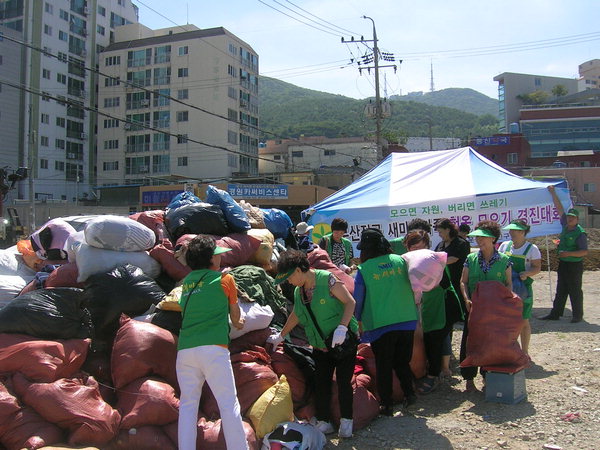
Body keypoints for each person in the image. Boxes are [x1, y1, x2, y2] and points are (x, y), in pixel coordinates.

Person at [267, 249, 358, 438]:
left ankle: (347, 420)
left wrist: (342, 327)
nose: (288, 282)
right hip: (320, 345)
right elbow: (296, 315)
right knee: (321, 382)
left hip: (342, 341)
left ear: (299, 270)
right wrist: (281, 335)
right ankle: (324, 422)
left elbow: (350, 302)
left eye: (289, 277)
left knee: (343, 382)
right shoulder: (299, 291)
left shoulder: (327, 280)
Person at [176, 236, 247, 450]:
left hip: (185, 351)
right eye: (216, 255)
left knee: (188, 405)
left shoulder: (186, 283)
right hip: (214, 349)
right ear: (210, 259)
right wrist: (240, 320)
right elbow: (236, 319)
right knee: (228, 404)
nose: (219, 259)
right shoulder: (225, 280)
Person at [354, 228, 418, 415]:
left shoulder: (364, 270)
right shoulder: (400, 261)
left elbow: (358, 299)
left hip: (381, 324)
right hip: (407, 319)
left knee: (383, 365)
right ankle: (410, 394)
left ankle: (387, 404)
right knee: (402, 362)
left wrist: (356, 321)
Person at [459, 221, 512, 392]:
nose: (479, 240)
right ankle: (468, 379)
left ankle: (488, 376)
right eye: (478, 237)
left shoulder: (504, 261)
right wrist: (466, 300)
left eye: (483, 237)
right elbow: (463, 282)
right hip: (474, 310)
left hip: (494, 311)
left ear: (493, 238)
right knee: (470, 342)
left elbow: (509, 284)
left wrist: (504, 303)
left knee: (490, 344)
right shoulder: (470, 259)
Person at [405, 230, 450, 394]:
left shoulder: (435, 262)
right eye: (414, 248)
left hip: (436, 305)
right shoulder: (406, 262)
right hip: (417, 307)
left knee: (435, 338)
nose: (418, 252)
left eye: (422, 248)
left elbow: (445, 283)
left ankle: (434, 375)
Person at [541, 185, 588, 323]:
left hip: (574, 265)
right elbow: (559, 208)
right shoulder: (565, 226)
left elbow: (584, 251)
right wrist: (553, 193)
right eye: (569, 217)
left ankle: (577, 316)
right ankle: (555, 313)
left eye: (573, 218)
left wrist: (568, 254)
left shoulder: (580, 233)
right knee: (561, 288)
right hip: (564, 264)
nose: (570, 219)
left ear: (577, 219)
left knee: (575, 290)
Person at [499, 219, 542, 355]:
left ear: (523, 232)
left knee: (523, 320)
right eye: (510, 230)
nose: (511, 233)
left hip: (523, 289)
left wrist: (527, 273)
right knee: (505, 321)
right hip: (506, 289)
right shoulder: (504, 246)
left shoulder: (532, 249)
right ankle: (508, 350)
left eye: (514, 230)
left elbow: (537, 267)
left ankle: (524, 352)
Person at [433, 219, 470, 377]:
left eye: (441, 231)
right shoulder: (440, 245)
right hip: (443, 289)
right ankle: (447, 357)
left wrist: (433, 264)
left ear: (449, 229)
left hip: (458, 287)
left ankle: (465, 356)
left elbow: (452, 259)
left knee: (460, 321)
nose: (439, 234)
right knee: (446, 323)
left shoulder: (461, 243)